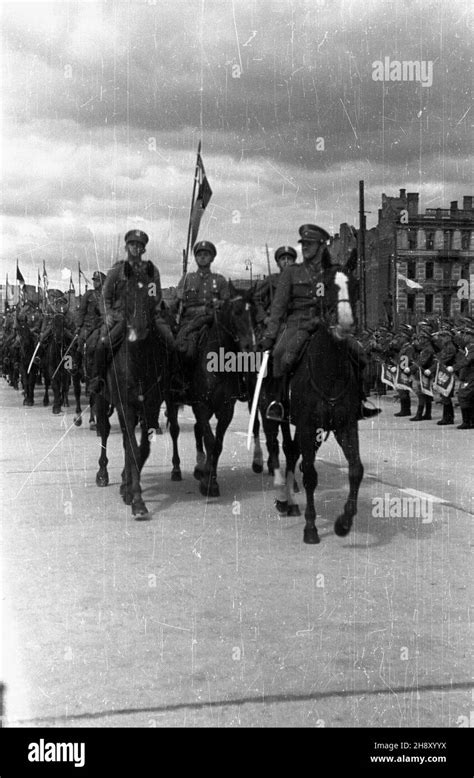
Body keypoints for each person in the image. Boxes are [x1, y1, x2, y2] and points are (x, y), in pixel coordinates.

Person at [260, 224, 381, 422]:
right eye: (303, 243)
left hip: (326, 324)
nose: (305, 247)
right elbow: (278, 308)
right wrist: (270, 335)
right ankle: (280, 404)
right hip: (297, 325)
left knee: (359, 355)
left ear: (321, 246)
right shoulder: (291, 273)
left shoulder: (331, 273)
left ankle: (358, 401)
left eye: (310, 243)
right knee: (281, 355)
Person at [89, 230, 175, 394]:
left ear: (144, 250)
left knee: (170, 340)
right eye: (132, 244)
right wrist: (107, 314)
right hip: (121, 317)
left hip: (147, 316)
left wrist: (152, 311)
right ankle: (98, 380)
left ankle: (174, 381)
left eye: (140, 246)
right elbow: (105, 297)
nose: (136, 248)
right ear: (126, 247)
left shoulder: (151, 270)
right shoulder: (117, 271)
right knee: (101, 344)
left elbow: (155, 295)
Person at [253, 245, 297, 328]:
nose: (286, 261)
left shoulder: (300, 280)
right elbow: (256, 299)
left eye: (289, 259)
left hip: (295, 323)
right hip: (274, 323)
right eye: (283, 259)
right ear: (278, 263)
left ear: (294, 262)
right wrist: (264, 317)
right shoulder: (271, 280)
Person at [74, 271, 106, 368]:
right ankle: (76, 364)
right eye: (94, 280)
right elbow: (82, 311)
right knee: (79, 343)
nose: (95, 282)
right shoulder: (88, 294)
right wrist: (79, 326)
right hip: (88, 325)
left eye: (98, 281)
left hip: (101, 325)